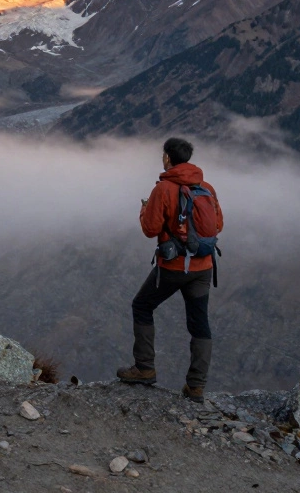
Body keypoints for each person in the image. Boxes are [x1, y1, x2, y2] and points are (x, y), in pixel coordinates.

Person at [117, 137, 223, 403]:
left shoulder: (163, 189)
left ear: (167, 158)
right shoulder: (206, 187)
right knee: (199, 323)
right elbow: (218, 225)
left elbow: (150, 229)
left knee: (142, 306)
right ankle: (196, 387)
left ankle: (144, 368)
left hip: (173, 267)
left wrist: (144, 210)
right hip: (203, 268)